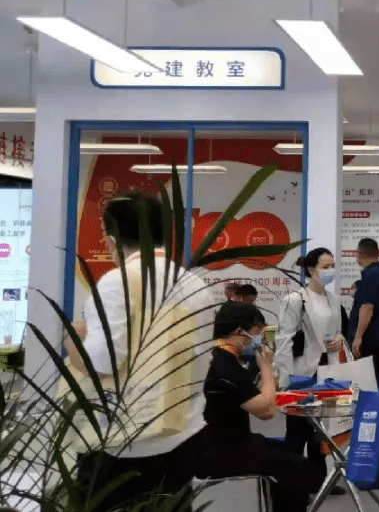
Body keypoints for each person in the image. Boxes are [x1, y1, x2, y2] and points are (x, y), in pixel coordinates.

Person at [66, 192, 215, 512]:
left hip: (122, 446)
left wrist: (73, 339)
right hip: (181, 431)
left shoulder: (119, 282)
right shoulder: (194, 284)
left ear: (111, 238)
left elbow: (102, 364)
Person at [200, 302, 323, 512]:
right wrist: (266, 366)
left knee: (287, 456)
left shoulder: (217, 358)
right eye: (257, 331)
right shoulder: (226, 366)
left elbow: (253, 395)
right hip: (226, 450)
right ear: (240, 331)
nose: (259, 338)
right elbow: (267, 411)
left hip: (221, 441)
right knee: (301, 469)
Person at [274, 247, 349, 495]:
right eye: (325, 266)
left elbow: (338, 331)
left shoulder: (334, 299)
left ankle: (318, 482)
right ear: (311, 269)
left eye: (332, 266)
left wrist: (339, 339)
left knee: (321, 431)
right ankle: (292, 486)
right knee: (297, 431)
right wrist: (284, 379)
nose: (330, 271)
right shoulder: (296, 299)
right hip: (300, 373)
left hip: (326, 371)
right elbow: (283, 340)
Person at [350, 237, 379, 384]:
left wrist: (358, 337)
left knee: (366, 384)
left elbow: (367, 308)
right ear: (377, 253)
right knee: (374, 380)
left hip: (369, 341)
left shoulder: (372, 275)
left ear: (359, 254)